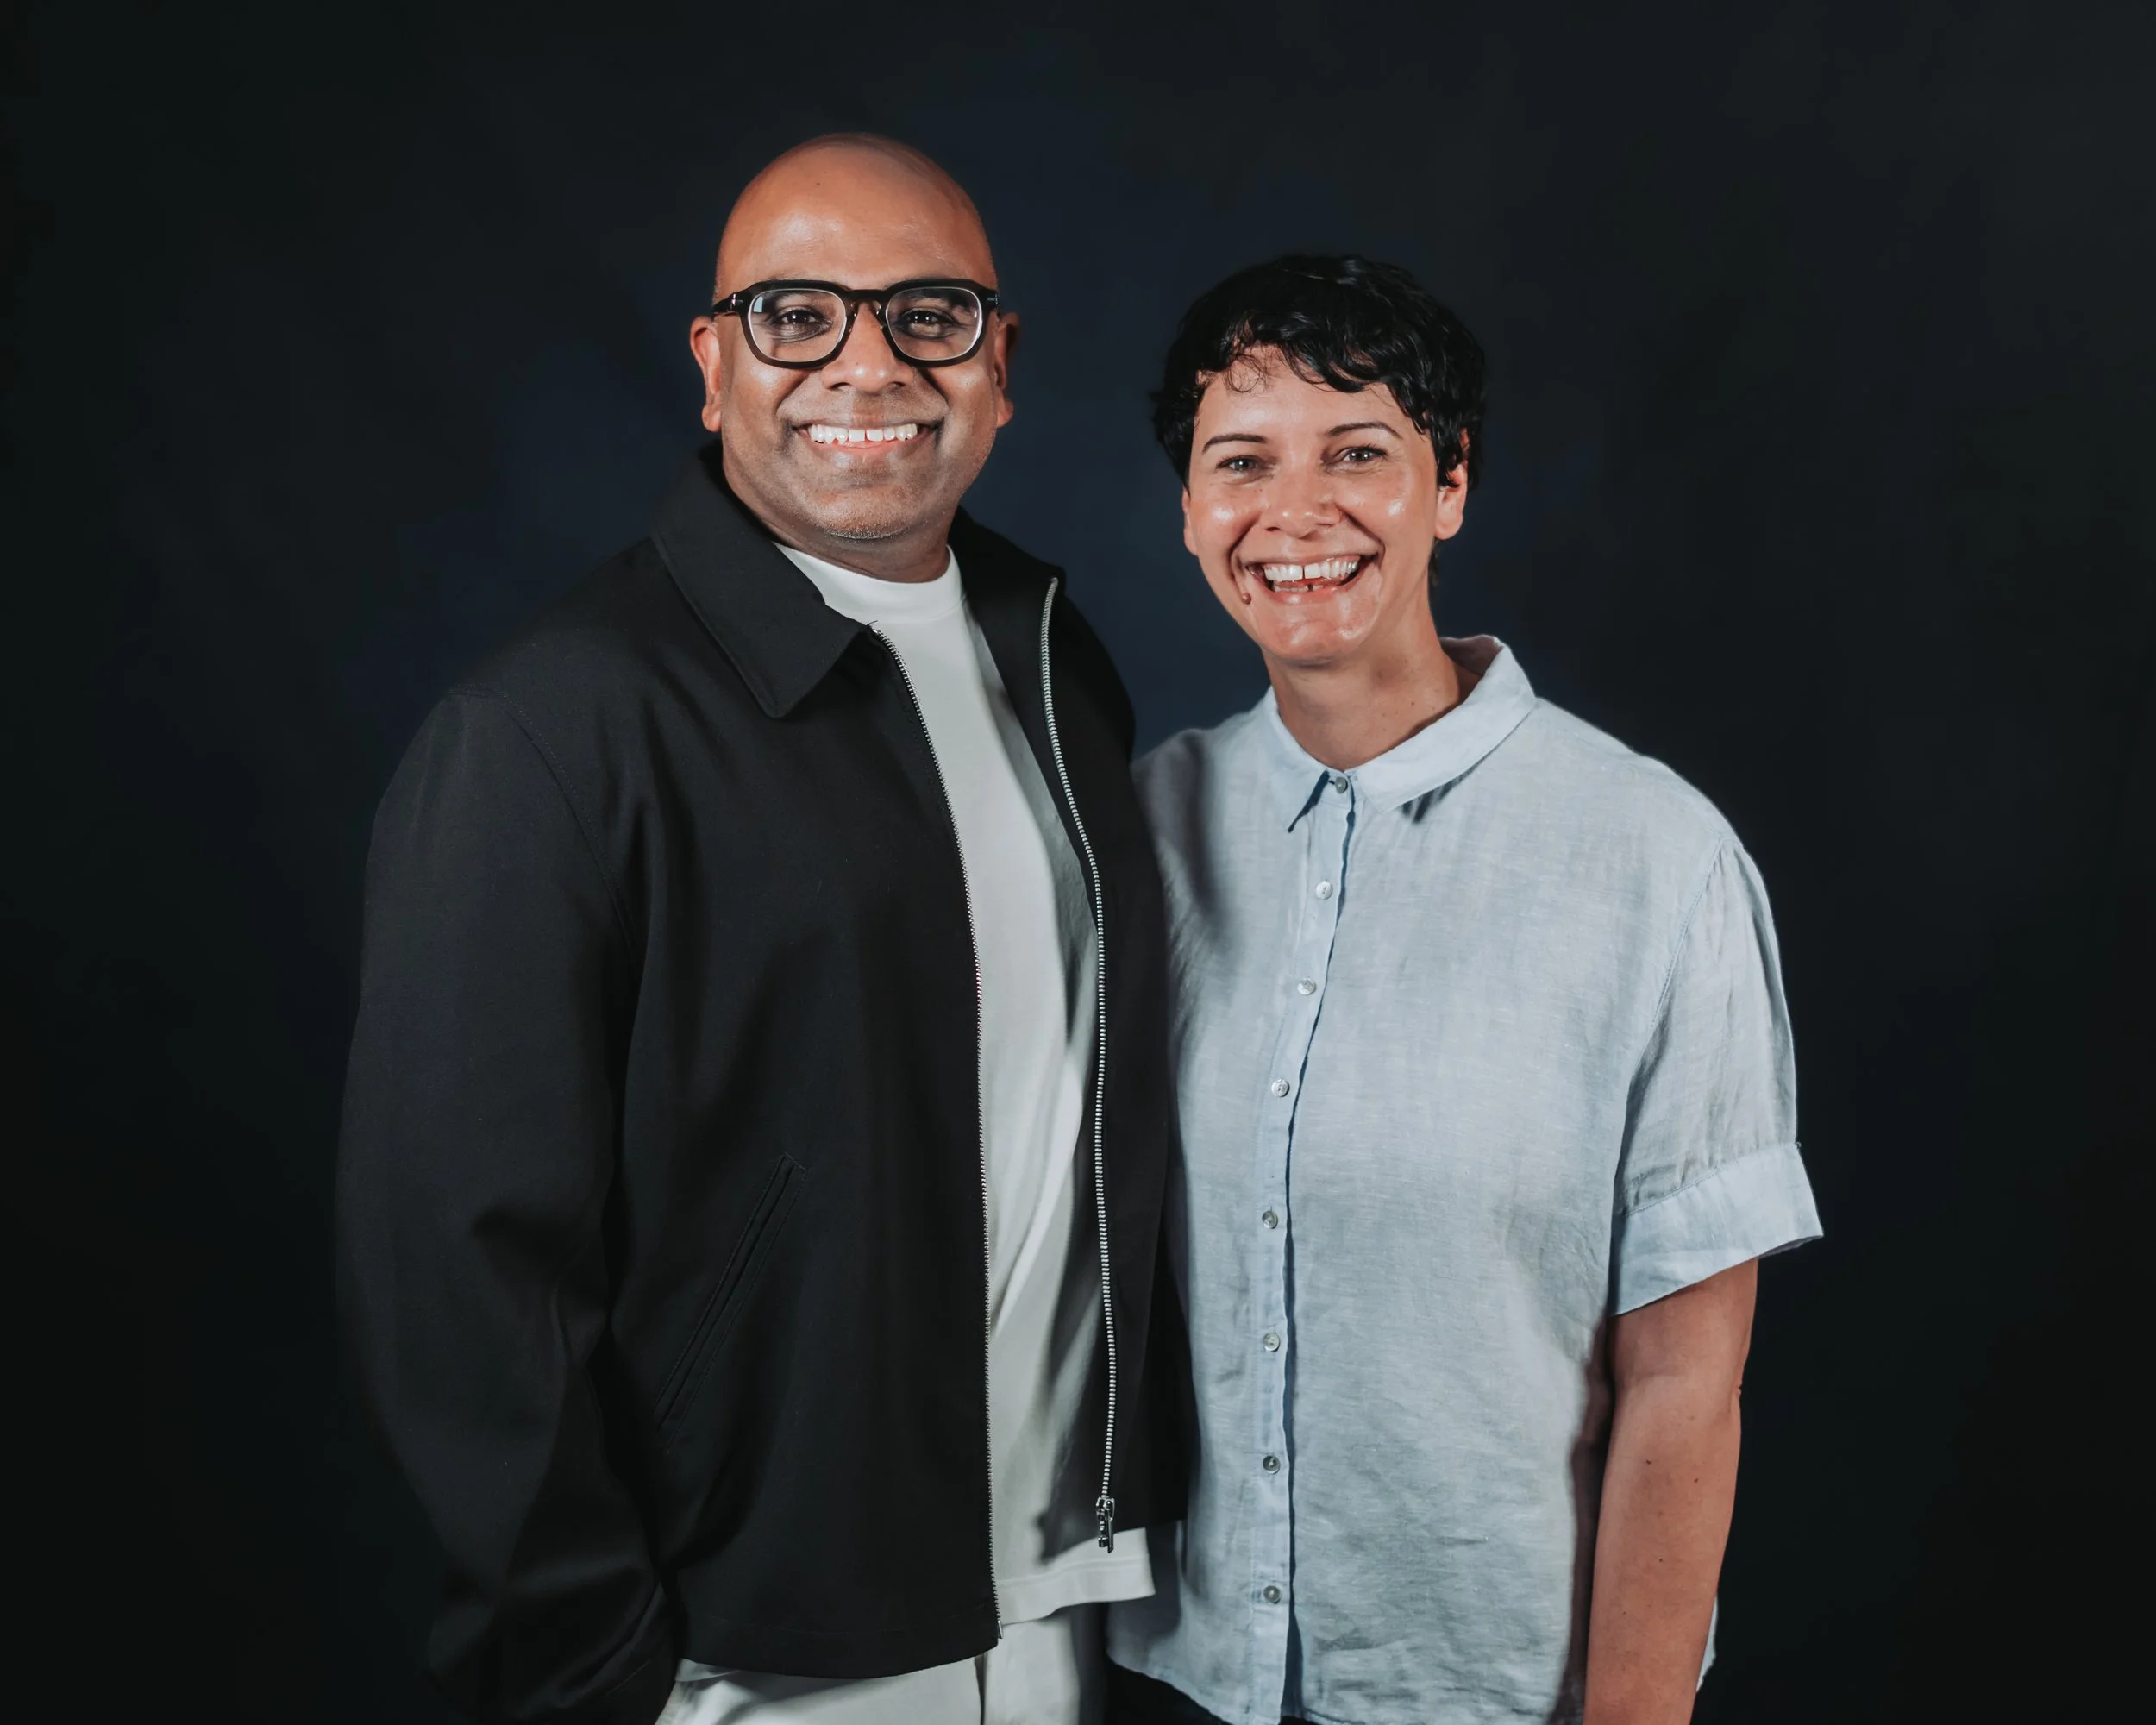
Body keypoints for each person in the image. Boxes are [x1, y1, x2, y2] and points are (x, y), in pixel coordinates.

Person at [336, 135, 1184, 1725]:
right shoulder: (553, 732)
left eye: (929, 314)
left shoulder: (1057, 664)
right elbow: (455, 1273)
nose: (869, 363)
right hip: (746, 1657)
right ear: (714, 365)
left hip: (1066, 1610)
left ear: (1000, 366)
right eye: (798, 315)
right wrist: (597, 1671)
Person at [1105, 255, 1823, 1725]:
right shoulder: (1136, 830)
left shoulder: (1654, 858)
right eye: (1242, 461)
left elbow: (1685, 1386)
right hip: (1171, 1681)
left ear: (1451, 485)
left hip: (1491, 1692)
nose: (1296, 512)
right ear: (1188, 509)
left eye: (1356, 452)